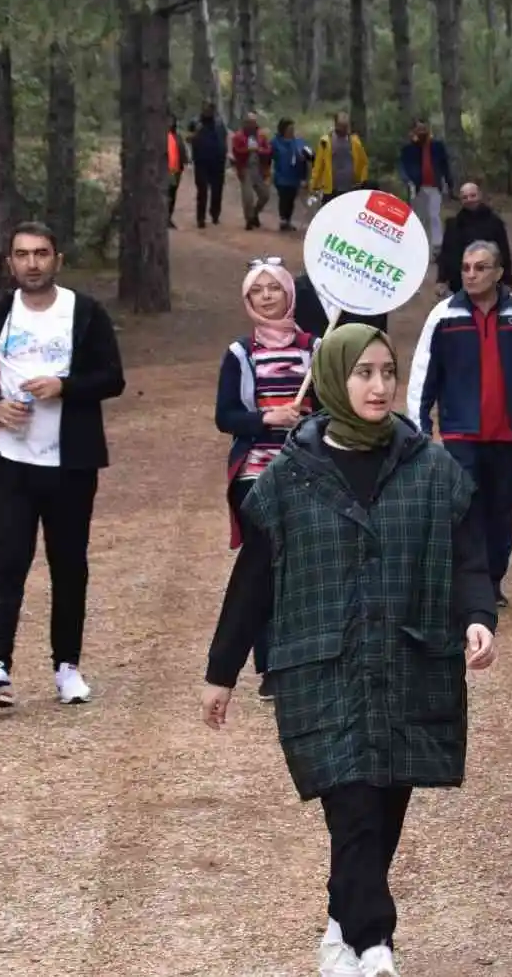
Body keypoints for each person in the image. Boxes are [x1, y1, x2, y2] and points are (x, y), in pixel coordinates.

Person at [201, 323, 498, 977]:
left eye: (387, 372)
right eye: (363, 373)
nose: (378, 385)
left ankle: (343, 919)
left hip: (408, 663)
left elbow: (468, 555)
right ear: (336, 378)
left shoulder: (430, 466)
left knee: (384, 807)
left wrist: (477, 616)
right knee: (354, 806)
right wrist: (221, 671)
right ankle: (375, 947)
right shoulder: (291, 476)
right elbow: (253, 576)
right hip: (321, 665)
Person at [0, 221, 126, 708]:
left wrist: (64, 386)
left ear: (58, 260)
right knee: (7, 561)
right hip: (10, 459)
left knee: (68, 565)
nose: (32, 263)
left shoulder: (85, 313)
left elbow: (113, 378)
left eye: (42, 253)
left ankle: (67, 668)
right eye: (23, 254)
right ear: (9, 262)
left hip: (71, 462)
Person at [407, 240, 512, 607]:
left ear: (499, 272)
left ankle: (492, 581)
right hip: (462, 431)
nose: (471, 274)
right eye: (465, 268)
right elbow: (422, 374)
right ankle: (467, 581)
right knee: (464, 506)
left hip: (509, 432)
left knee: (501, 507)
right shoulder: (444, 316)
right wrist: (420, 428)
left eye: (480, 267)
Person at [214, 258, 318, 700]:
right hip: (255, 471)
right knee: (263, 565)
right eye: (258, 291)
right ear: (248, 300)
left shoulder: (315, 348)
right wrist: (265, 417)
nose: (267, 297)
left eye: (273, 288)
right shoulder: (240, 354)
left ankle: (303, 657)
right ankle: (269, 664)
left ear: (288, 294)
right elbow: (226, 416)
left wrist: (309, 414)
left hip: (307, 467)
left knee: (302, 566)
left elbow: (332, 402)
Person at [436, 183, 512, 295]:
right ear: (461, 200)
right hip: (459, 285)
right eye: (465, 197)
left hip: (489, 283)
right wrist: (441, 280)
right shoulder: (453, 225)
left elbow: (504, 252)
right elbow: (445, 253)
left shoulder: (495, 222)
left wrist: (507, 281)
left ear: (480, 196)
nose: (469, 200)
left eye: (473, 195)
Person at [396, 118, 454, 250]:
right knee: (419, 218)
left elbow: (445, 166)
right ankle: (419, 245)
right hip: (417, 187)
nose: (422, 132)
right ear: (414, 131)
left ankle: (437, 246)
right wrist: (407, 180)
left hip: (434, 186)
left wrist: (449, 183)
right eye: (419, 129)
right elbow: (402, 167)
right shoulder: (409, 149)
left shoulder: (437, 146)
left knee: (434, 216)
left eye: (424, 128)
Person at [310, 111, 370, 205]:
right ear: (336, 125)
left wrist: (362, 180)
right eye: (342, 126)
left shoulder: (354, 141)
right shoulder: (325, 142)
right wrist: (314, 185)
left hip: (350, 187)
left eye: (346, 126)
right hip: (331, 188)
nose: (344, 129)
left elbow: (363, 162)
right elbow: (318, 165)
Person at [230, 111, 274, 230]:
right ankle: (249, 220)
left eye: (253, 122)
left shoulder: (261, 136)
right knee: (248, 197)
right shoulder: (238, 136)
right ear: (245, 123)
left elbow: (268, 150)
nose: (251, 125)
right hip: (245, 168)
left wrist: (259, 150)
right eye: (249, 122)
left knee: (265, 195)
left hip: (258, 168)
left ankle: (255, 213)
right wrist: (247, 150)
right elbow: (236, 151)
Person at [190, 103, 227, 227]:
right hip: (201, 161)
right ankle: (201, 218)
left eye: (210, 109)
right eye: (205, 109)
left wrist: (225, 154)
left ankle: (215, 214)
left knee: (217, 190)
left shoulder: (219, 123)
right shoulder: (195, 122)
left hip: (217, 161)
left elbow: (224, 138)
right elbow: (188, 137)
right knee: (202, 190)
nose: (207, 111)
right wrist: (195, 135)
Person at [270, 119, 311, 232]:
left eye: (293, 128)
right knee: (284, 196)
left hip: (295, 175)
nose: (292, 131)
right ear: (283, 129)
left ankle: (287, 220)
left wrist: (306, 156)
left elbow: (310, 155)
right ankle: (283, 219)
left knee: (291, 198)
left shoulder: (298, 142)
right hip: (281, 175)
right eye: (289, 129)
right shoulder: (275, 142)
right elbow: (268, 156)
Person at [167, 117, 188, 228]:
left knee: (172, 195)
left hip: (176, 171)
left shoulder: (177, 137)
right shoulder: (162, 137)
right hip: (166, 171)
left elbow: (182, 150)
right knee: (166, 194)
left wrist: (184, 160)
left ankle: (168, 216)